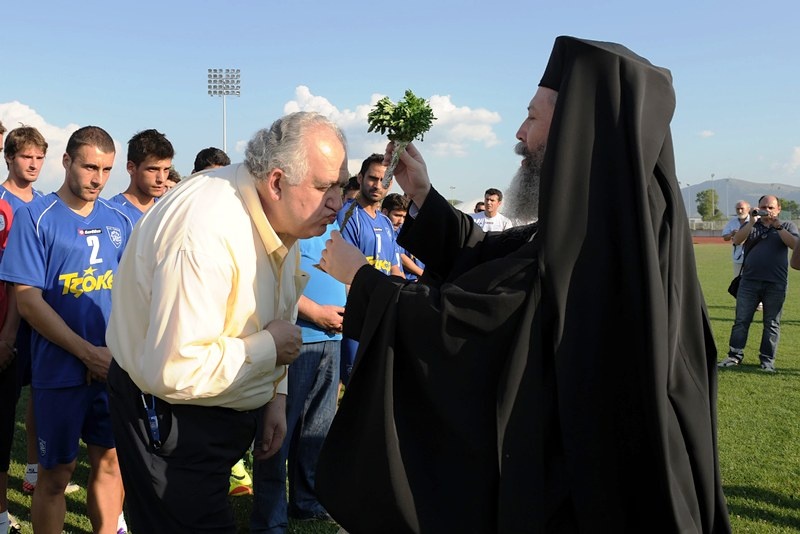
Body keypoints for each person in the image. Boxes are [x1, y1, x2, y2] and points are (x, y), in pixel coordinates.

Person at [314, 36, 731, 533]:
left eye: (532, 117)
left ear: (577, 124)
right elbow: (499, 258)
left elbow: (477, 321)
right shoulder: (612, 224)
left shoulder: (592, 242)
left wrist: (361, 279)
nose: (520, 132)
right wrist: (423, 194)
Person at [105, 111, 349, 533]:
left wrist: (275, 395)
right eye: (325, 187)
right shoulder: (205, 231)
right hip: (172, 420)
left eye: (342, 186)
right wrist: (269, 349)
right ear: (275, 182)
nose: (337, 202)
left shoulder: (281, 216)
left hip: (213, 414)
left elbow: (282, 307)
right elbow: (176, 369)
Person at [0, 125, 131, 534]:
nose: (98, 178)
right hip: (59, 371)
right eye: (90, 166)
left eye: (107, 169)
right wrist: (85, 352)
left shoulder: (119, 220)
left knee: (111, 464)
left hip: (110, 368)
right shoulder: (35, 219)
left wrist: (112, 353)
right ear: (67, 161)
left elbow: (130, 294)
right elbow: (28, 300)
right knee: (56, 475)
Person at [250, 224, 345, 532]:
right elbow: (279, 280)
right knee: (278, 431)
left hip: (331, 340)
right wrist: (316, 312)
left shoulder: (331, 224)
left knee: (317, 428)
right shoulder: (289, 222)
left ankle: (306, 501)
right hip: (296, 339)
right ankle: (270, 519)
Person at [0, 125, 65, 499]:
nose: (34, 164)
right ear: (10, 158)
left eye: (40, 157)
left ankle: (32, 470)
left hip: (40, 318)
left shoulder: (43, 203)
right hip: (7, 320)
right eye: (27, 156)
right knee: (6, 407)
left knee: (40, 398)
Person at [336, 154, 403, 387]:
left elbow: (396, 270)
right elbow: (344, 274)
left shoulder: (385, 222)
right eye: (372, 178)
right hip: (359, 315)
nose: (377, 185)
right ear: (360, 177)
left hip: (381, 314)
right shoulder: (347, 216)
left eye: (383, 181)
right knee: (354, 384)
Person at [718, 196, 797, 372]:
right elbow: (737, 240)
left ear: (778, 209)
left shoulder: (787, 226)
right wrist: (752, 221)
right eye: (763, 207)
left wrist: (777, 227)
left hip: (776, 283)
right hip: (749, 281)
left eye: (770, 207)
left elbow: (794, 244)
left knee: (772, 323)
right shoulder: (751, 224)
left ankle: (767, 361)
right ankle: (734, 355)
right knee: (741, 320)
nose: (767, 210)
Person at [109, 129, 174, 222]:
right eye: (153, 169)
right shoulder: (111, 213)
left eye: (166, 169)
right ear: (131, 168)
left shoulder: (168, 212)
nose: (162, 179)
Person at [382, 193, 424, 281]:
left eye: (404, 217)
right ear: (385, 212)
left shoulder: (400, 229)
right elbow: (401, 257)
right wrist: (422, 274)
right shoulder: (382, 232)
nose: (401, 221)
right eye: (397, 215)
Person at [722, 200, 751, 276]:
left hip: (753, 257)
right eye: (737, 209)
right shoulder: (732, 222)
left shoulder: (755, 221)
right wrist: (732, 234)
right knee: (738, 281)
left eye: (742, 208)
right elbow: (725, 237)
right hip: (738, 257)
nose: (740, 211)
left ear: (748, 209)